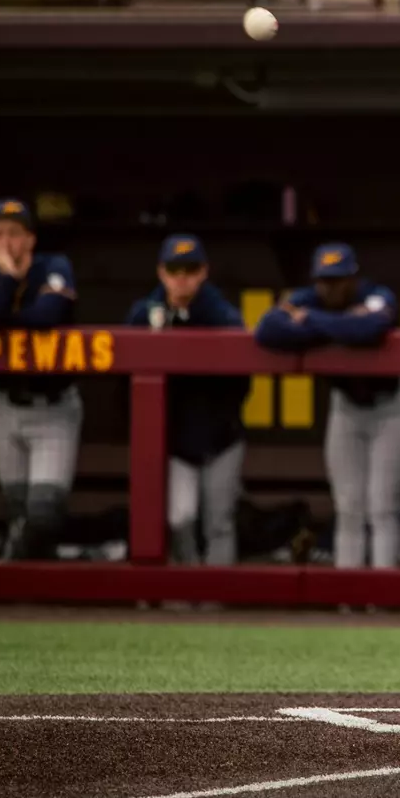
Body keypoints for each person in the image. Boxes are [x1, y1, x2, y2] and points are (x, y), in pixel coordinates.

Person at [255, 243, 400, 569]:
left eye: (339, 280)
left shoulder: (374, 294)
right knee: (348, 505)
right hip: (347, 406)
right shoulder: (307, 297)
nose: (331, 288)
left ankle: (383, 593)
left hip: (394, 405)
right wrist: (336, 323)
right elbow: (267, 329)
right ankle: (349, 594)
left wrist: (312, 322)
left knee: (382, 505)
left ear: (353, 278)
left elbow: (370, 328)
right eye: (325, 281)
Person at [0, 198, 81, 561]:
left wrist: (2, 318)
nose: (6, 242)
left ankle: (15, 574)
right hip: (6, 406)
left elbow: (48, 315)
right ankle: (24, 598)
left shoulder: (54, 267)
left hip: (54, 405)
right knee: (17, 511)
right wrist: (7, 281)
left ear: (30, 239)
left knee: (42, 515)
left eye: (14, 233)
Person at [126, 235, 250, 566]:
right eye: (174, 269)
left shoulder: (222, 314)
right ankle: (188, 586)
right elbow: (125, 347)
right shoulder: (146, 312)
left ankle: (216, 599)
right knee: (179, 518)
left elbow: (242, 378)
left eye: (190, 269)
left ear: (203, 271)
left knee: (219, 524)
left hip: (221, 436)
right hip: (177, 441)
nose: (182, 278)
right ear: (161, 272)